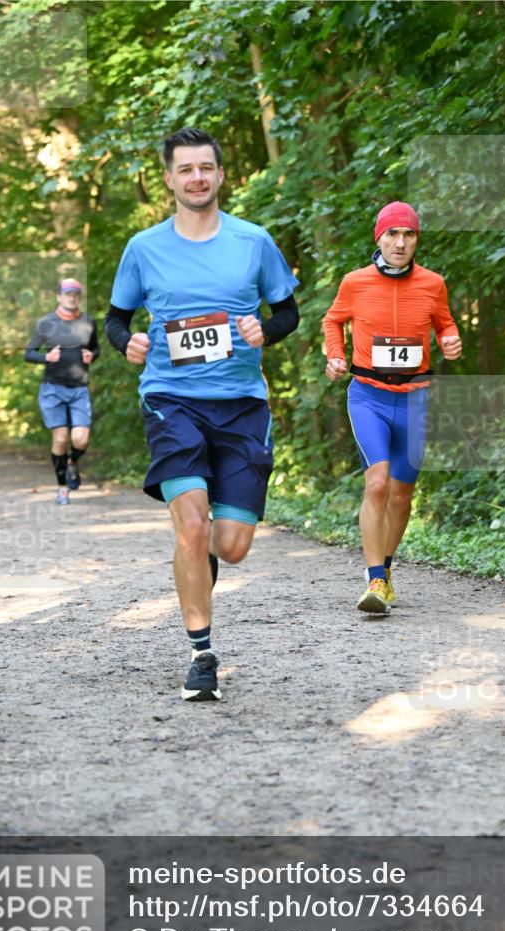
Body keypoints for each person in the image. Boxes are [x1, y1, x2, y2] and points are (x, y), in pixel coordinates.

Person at [105, 127, 299, 702]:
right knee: (191, 527)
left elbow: (286, 310)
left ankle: (202, 560)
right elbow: (115, 319)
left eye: (206, 168)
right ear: (169, 179)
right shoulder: (144, 247)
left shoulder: (253, 241)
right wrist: (127, 343)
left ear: (220, 175)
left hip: (242, 405)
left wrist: (266, 329)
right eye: (185, 169)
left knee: (231, 544)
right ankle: (202, 653)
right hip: (171, 399)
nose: (197, 178)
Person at [323, 201, 462, 614]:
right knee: (378, 482)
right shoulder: (355, 282)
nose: (400, 243)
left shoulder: (433, 284)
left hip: (416, 397)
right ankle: (374, 579)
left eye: (409, 235)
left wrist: (450, 340)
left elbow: (445, 322)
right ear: (378, 237)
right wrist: (335, 355)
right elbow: (333, 320)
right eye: (392, 234)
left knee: (402, 494)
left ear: (417, 239)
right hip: (369, 395)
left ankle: (385, 569)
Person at [25, 278, 99, 504]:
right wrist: (46, 357)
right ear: (59, 296)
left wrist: (92, 355)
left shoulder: (88, 322)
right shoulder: (46, 323)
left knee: (81, 440)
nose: (72, 297)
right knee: (60, 439)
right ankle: (62, 488)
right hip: (52, 389)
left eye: (75, 293)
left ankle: (72, 462)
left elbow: (96, 348)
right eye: (67, 293)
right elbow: (29, 353)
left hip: (79, 389)